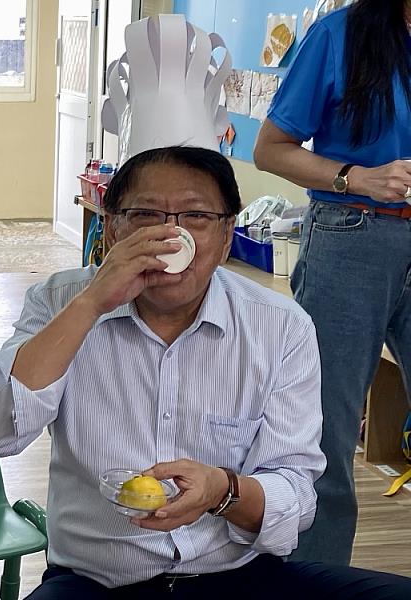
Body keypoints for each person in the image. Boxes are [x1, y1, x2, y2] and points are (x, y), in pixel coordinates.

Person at [0, 147, 411, 599]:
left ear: (227, 235)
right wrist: (92, 302)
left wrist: (222, 491)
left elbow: (297, 493)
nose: (170, 234)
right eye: (145, 214)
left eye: (195, 215)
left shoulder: (279, 326)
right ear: (113, 229)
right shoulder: (60, 302)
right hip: (94, 582)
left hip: (237, 577)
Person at [253, 0, 411, 565]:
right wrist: (355, 177)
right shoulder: (339, 35)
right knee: (323, 435)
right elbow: (269, 149)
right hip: (352, 236)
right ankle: (315, 581)